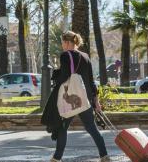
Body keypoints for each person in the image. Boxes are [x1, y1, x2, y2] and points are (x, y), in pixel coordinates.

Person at [41, 31, 110, 162]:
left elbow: (64, 76)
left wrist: (55, 76)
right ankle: (104, 155)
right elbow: (91, 80)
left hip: (70, 99)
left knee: (62, 127)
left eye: (62, 43)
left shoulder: (65, 56)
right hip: (84, 99)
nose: (62, 46)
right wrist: (95, 99)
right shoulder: (85, 56)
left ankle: (56, 158)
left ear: (67, 42)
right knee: (92, 128)